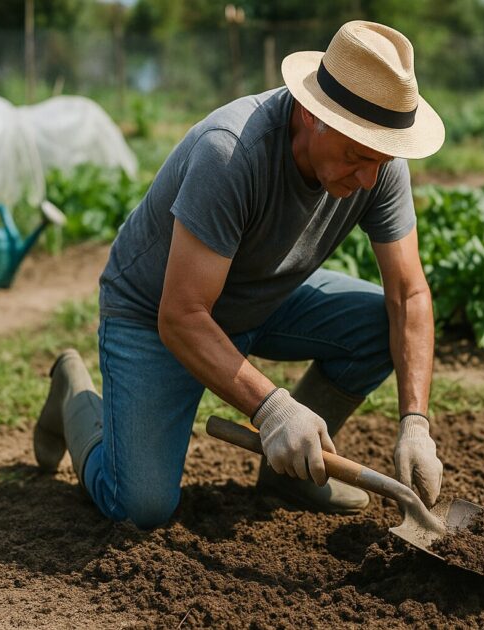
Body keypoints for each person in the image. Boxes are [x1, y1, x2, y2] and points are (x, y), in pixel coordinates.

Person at [32, 20, 446, 528]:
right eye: (358, 157)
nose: (368, 178)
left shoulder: (377, 164)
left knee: (381, 323)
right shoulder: (230, 151)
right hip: (157, 312)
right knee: (138, 507)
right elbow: (182, 315)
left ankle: (293, 474)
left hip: (265, 294)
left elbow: (408, 295)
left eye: (380, 162)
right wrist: (273, 408)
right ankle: (75, 397)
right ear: (311, 115)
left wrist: (415, 422)